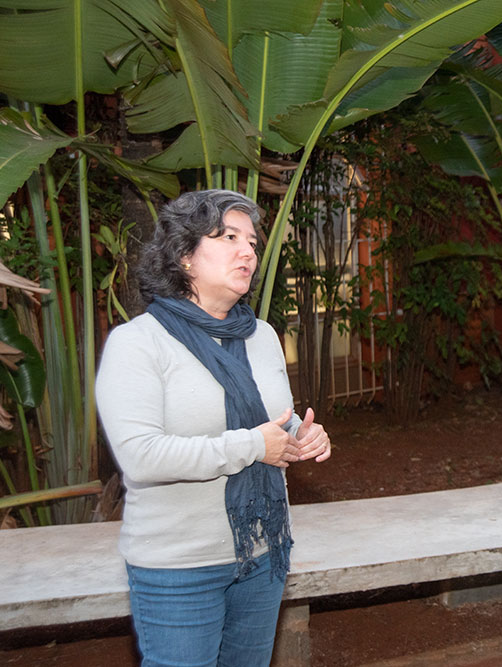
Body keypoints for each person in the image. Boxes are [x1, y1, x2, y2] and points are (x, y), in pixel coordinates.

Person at [95, 189, 332, 666]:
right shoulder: (138, 343)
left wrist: (301, 438)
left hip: (262, 553)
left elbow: (273, 428)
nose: (247, 250)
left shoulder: (261, 336)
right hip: (178, 567)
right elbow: (140, 458)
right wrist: (252, 445)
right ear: (185, 256)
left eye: (251, 240)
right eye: (228, 237)